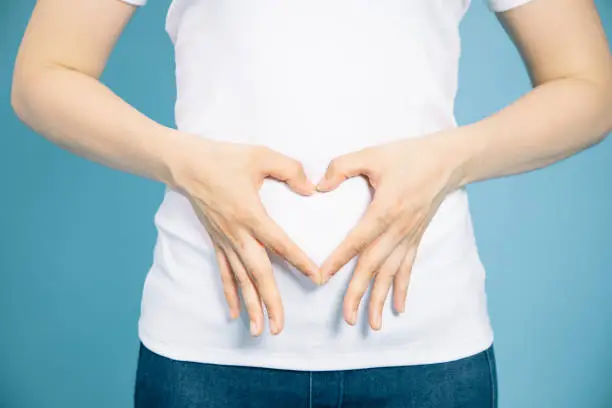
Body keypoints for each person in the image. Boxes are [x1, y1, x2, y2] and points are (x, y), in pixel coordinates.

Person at [11, 0, 611, 406]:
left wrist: (453, 158)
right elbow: (44, 74)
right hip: (206, 351)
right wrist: (183, 161)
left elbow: (589, 87)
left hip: (428, 354)